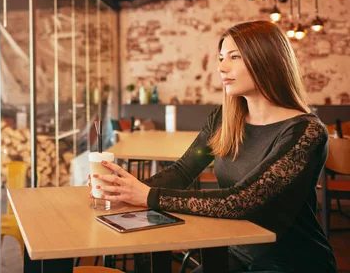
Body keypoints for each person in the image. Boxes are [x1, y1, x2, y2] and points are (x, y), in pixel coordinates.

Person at [90, 21, 337, 273]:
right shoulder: (223, 119)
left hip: (292, 263)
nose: (221, 67)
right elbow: (183, 171)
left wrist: (148, 196)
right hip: (235, 252)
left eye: (234, 57)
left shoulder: (305, 132)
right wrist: (121, 190)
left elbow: (242, 201)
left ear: (267, 60)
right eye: (220, 57)